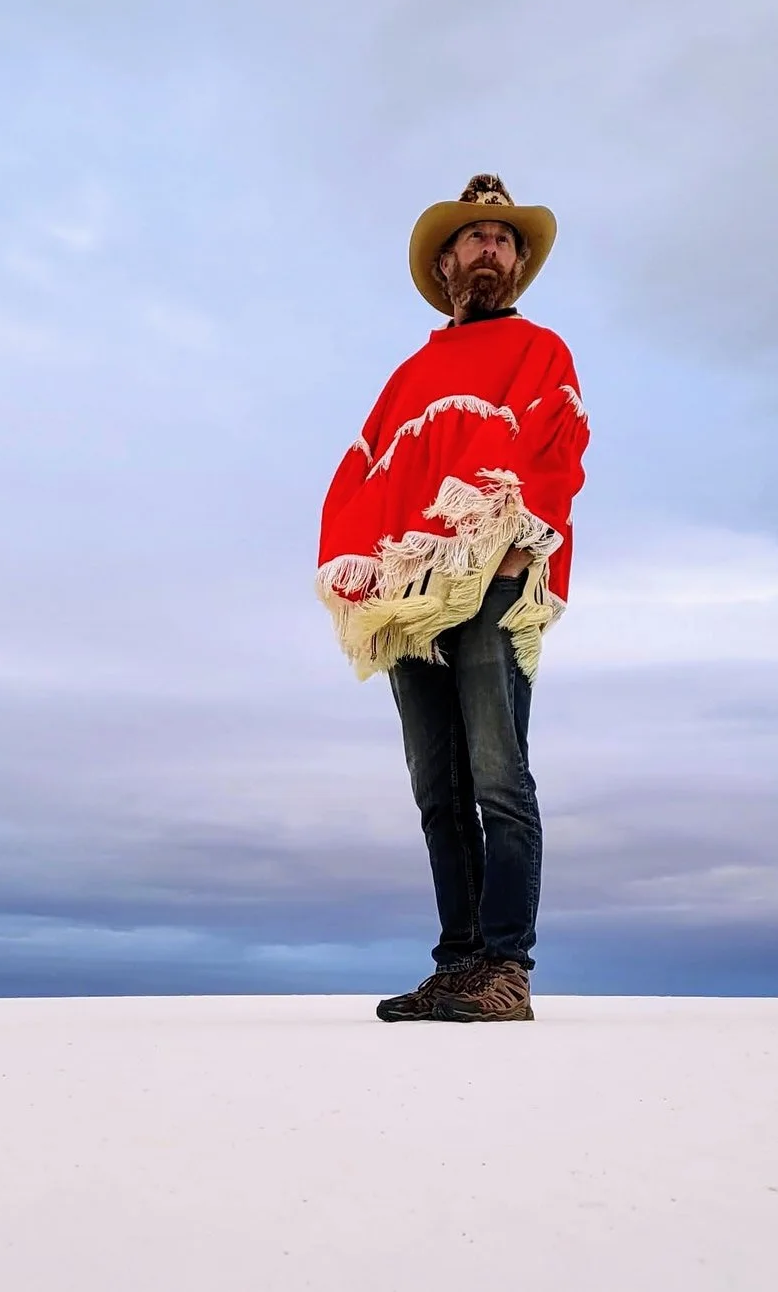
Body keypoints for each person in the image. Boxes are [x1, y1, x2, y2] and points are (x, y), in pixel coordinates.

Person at [316, 175, 589, 1023]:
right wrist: (362, 575)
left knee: (499, 778)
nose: (490, 249)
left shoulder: (541, 349)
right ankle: (456, 964)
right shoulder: (411, 375)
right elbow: (359, 479)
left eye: (505, 240)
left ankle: (505, 968)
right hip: (412, 601)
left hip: (498, 580)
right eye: (474, 237)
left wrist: (513, 545)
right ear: (445, 264)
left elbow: (558, 449)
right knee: (438, 786)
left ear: (516, 265)